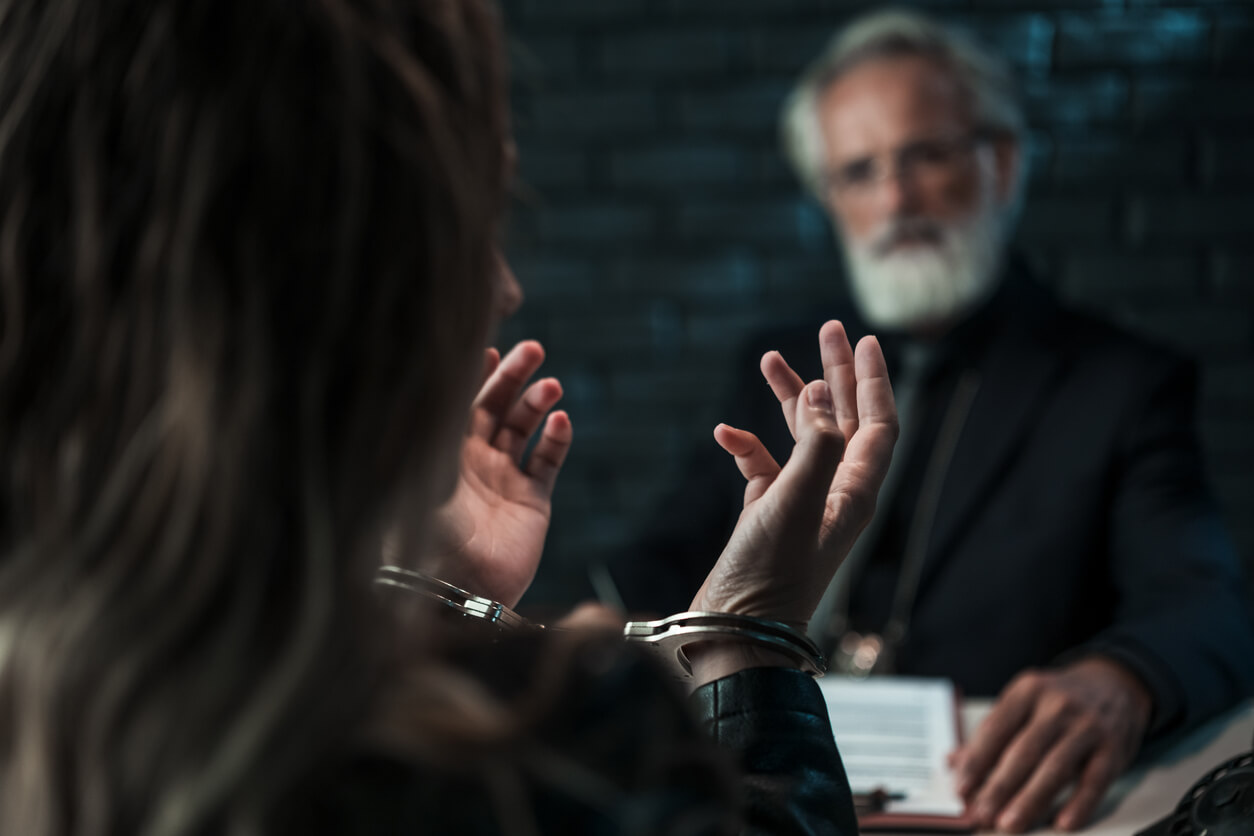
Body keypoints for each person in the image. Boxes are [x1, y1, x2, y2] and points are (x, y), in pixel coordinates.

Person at [0, 1, 899, 834]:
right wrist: (752, 638)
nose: (504, 288)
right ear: (333, 280)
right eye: (475, 219)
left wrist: (442, 592)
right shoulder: (550, 765)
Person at [606, 9, 1254, 834]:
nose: (896, 198)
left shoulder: (1120, 381)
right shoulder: (776, 360)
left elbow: (1206, 605)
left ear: (1005, 164)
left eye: (926, 156)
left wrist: (1122, 678)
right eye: (859, 171)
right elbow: (668, 558)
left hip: (985, 802)